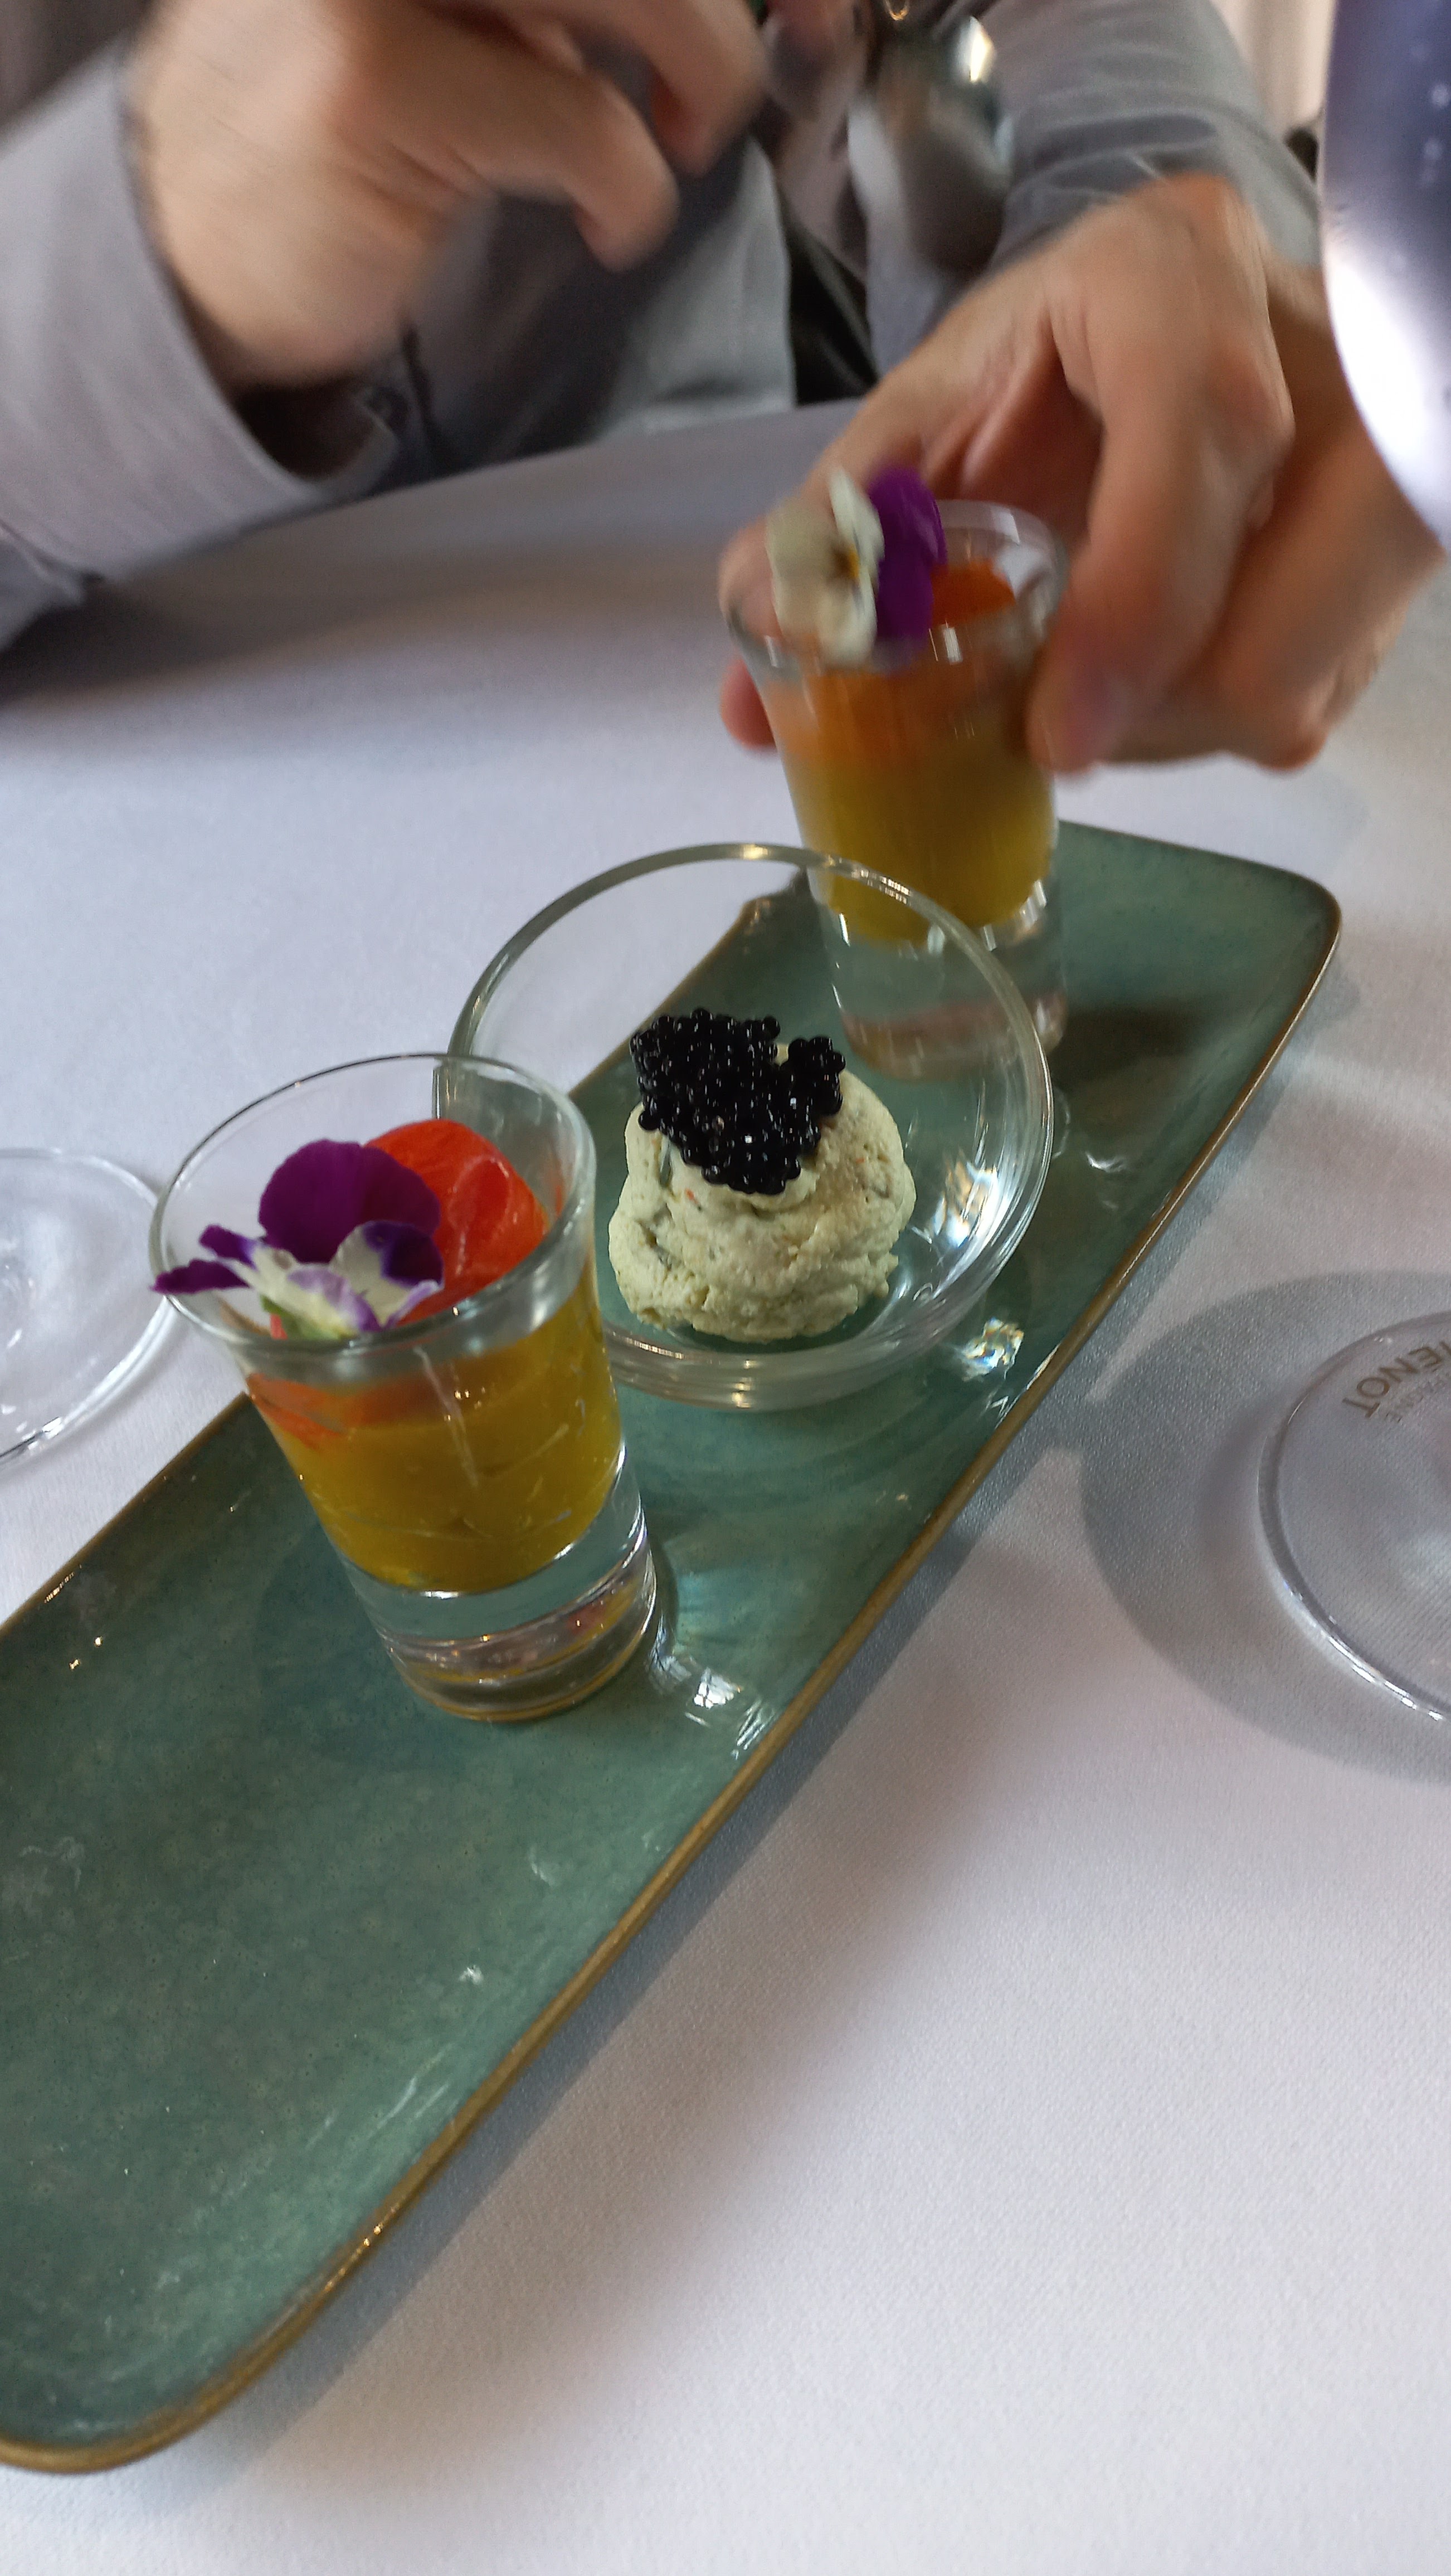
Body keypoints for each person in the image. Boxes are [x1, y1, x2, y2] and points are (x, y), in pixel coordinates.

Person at [0, 0, 1441, 773]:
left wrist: (1145, 242)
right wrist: (134, 268)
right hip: (95, 823)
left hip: (738, 663)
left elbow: (1037, 41)